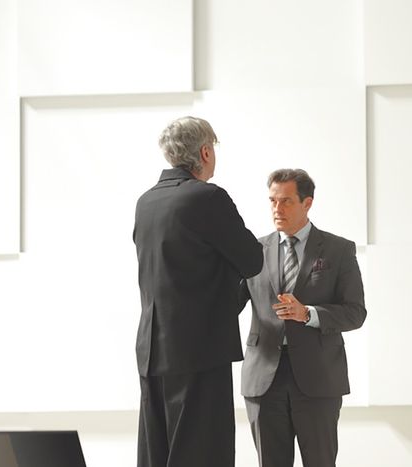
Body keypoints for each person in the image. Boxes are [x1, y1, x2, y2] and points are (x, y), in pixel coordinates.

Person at [133, 116, 264, 467]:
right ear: (205, 152)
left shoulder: (146, 202)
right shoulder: (208, 197)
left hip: (151, 350)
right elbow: (252, 260)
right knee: (202, 454)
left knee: (157, 454)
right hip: (199, 350)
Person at [240, 168, 366, 467]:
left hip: (318, 377)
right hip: (264, 379)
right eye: (272, 201)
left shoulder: (338, 250)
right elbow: (228, 304)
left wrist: (308, 313)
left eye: (286, 201)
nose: (277, 209)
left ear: (307, 203)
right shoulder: (253, 250)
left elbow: (355, 312)